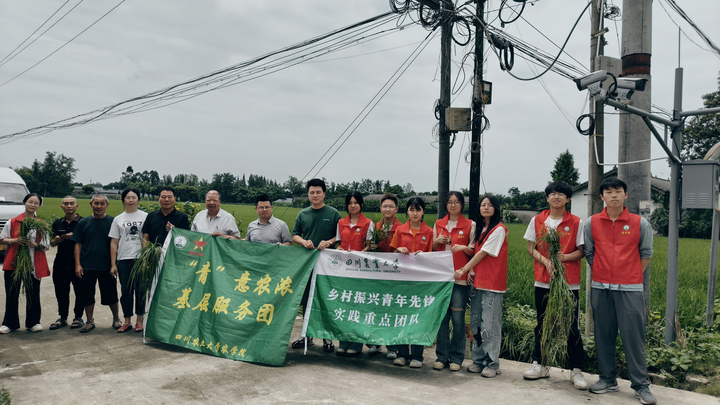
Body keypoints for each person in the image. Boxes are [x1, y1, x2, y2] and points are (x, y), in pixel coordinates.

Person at [584, 178, 656, 405]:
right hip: (600, 288)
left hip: (630, 289)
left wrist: (630, 274)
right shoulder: (592, 222)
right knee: (603, 336)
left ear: (626, 195)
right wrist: (604, 273)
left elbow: (646, 253)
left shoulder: (639, 223)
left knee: (633, 338)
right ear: (601, 197)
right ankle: (607, 379)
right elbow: (589, 252)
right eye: (608, 191)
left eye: (618, 191)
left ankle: (641, 385)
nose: (613, 195)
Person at [522, 181, 587, 389]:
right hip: (542, 280)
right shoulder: (537, 220)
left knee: (570, 325)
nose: (556, 197)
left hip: (568, 283)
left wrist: (564, 257)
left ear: (568, 199)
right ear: (547, 198)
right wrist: (547, 262)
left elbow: (581, 252)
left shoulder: (577, 222)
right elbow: (531, 248)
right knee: (542, 323)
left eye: (560, 194)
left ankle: (576, 370)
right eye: (552, 194)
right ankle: (539, 364)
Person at [458, 195, 507, 378]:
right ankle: (478, 361)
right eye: (483, 205)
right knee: (476, 323)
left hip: (492, 284)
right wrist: (471, 272)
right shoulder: (481, 228)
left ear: (496, 208)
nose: (485, 208)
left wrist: (464, 268)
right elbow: (476, 253)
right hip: (478, 282)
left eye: (490, 205)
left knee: (491, 324)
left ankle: (492, 363)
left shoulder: (498, 229)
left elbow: (483, 253)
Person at [290, 178, 341, 352]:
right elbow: (294, 235)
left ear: (324, 193)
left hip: (328, 265)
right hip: (308, 264)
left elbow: (339, 237)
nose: (315, 195)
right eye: (312, 192)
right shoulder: (303, 214)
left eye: (318, 192)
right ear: (308, 195)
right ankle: (306, 336)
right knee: (307, 299)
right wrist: (303, 242)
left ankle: (327, 337)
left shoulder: (333, 213)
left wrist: (329, 242)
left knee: (325, 298)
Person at [432, 191, 475, 372]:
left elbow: (475, 251)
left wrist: (465, 247)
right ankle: (441, 356)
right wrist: (437, 241)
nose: (453, 205)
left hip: (460, 278)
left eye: (456, 202)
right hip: (442, 277)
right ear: (445, 205)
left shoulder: (470, 224)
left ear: (462, 205)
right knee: (442, 318)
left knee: (458, 319)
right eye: (449, 202)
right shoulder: (439, 224)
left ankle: (457, 357)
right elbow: (432, 250)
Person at [388, 196, 434, 368]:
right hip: (401, 281)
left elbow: (432, 257)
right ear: (407, 211)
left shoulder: (429, 232)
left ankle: (417, 355)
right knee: (401, 316)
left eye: (418, 209)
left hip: (420, 282)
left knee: (418, 317)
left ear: (423, 212)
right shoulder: (400, 230)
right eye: (411, 209)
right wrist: (398, 249)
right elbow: (392, 252)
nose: (415, 213)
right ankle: (402, 353)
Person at [0, 193, 50, 334]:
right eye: (30, 201)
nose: (32, 205)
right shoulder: (13, 222)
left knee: (33, 293)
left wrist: (34, 244)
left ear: (39, 206)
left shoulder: (41, 224)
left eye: (36, 203)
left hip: (33, 264)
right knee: (12, 293)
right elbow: (2, 238)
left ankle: (34, 322)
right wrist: (14, 241)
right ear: (24, 203)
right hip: (14, 263)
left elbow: (45, 245)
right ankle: (9, 323)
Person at [72, 194, 121, 333]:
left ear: (107, 205)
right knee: (87, 294)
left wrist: (114, 264)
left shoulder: (113, 222)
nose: (99, 206)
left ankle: (116, 319)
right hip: (87, 265)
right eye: (96, 203)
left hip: (107, 265)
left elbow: (117, 243)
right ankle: (89, 321)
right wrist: (78, 264)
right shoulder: (83, 222)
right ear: (91, 204)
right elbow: (78, 245)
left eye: (102, 204)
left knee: (111, 294)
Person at [334, 191, 374, 357]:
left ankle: (356, 345)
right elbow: (338, 243)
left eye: (356, 202)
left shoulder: (368, 223)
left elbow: (370, 246)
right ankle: (343, 342)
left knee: (357, 307)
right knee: (344, 306)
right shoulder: (341, 222)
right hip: (344, 270)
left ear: (361, 204)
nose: (353, 205)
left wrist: (360, 254)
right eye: (350, 203)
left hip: (360, 271)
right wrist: (339, 250)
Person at [110, 188, 148, 333]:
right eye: (128, 197)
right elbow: (114, 242)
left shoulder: (146, 217)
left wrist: (145, 258)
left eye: (134, 197)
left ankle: (139, 321)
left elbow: (147, 237)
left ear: (138, 200)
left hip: (140, 258)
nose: (131, 200)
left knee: (141, 290)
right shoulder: (118, 219)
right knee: (126, 291)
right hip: (123, 259)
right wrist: (113, 264)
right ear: (123, 200)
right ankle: (127, 321)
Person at [373, 193, 403, 359]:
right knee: (377, 309)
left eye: (391, 206)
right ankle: (376, 343)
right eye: (384, 206)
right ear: (380, 208)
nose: (387, 209)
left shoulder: (402, 228)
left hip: (394, 276)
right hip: (377, 275)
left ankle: (392, 347)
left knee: (391, 311)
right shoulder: (376, 227)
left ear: (396, 209)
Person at [49, 196, 84, 330]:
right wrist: (56, 240)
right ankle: (63, 317)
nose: (69, 206)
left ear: (77, 206)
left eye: (71, 203)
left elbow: (87, 241)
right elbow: (50, 243)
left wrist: (73, 236)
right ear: (62, 207)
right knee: (61, 291)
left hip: (79, 263)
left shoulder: (83, 222)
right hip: (61, 263)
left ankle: (78, 317)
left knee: (80, 291)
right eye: (66, 204)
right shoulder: (57, 223)